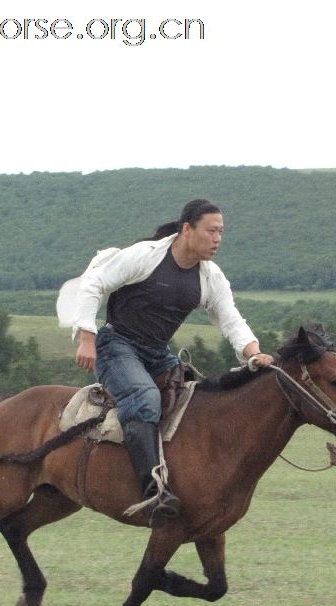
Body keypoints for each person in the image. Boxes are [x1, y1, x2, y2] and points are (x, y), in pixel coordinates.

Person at [66, 199, 274, 527]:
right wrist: (87, 337)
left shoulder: (210, 277)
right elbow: (94, 283)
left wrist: (253, 352)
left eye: (221, 232)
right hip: (116, 346)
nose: (217, 238)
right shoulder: (147, 256)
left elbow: (230, 319)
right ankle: (154, 491)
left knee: (198, 398)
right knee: (145, 399)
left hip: (157, 353)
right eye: (211, 231)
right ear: (187, 229)